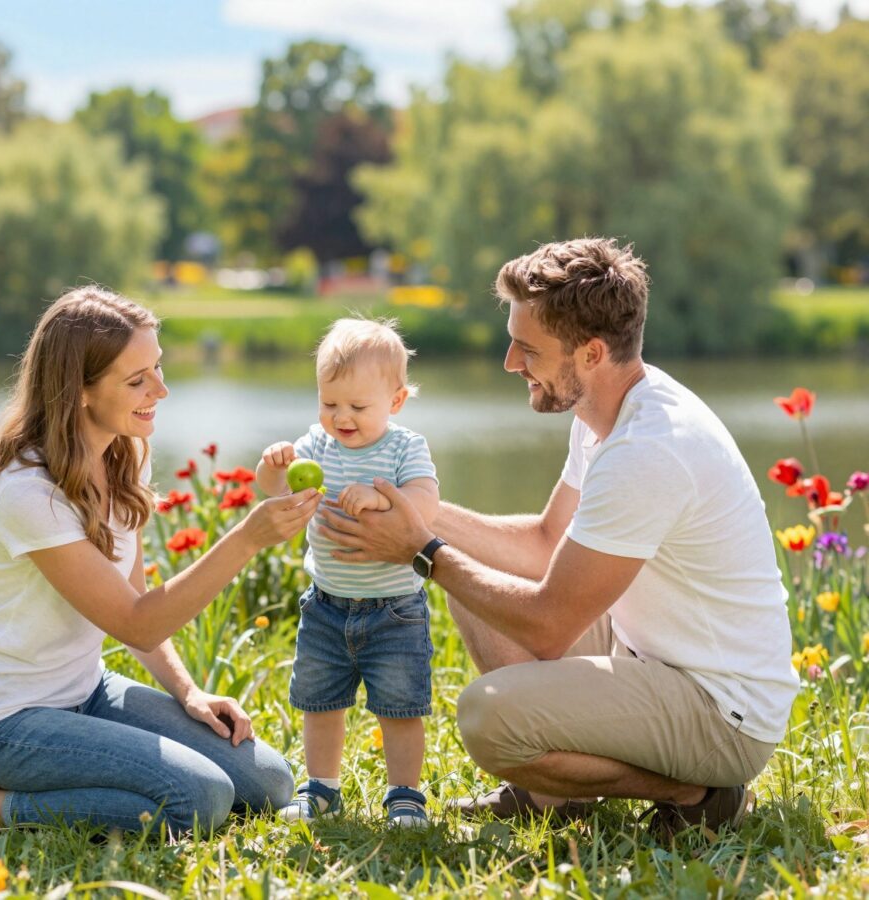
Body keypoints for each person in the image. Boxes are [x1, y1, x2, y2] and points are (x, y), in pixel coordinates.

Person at [316, 238, 798, 840]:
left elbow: (549, 624)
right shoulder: (606, 412)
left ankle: (697, 792)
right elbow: (546, 543)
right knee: (475, 575)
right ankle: (554, 796)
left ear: (591, 353)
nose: (511, 362)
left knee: (488, 716)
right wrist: (416, 512)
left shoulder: (649, 447)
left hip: (722, 713)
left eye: (527, 348)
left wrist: (420, 550)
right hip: (650, 660)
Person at [0, 286, 322, 834]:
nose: (161, 390)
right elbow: (135, 620)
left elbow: (137, 609)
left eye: (158, 368)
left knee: (269, 782)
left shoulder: (126, 452)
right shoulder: (29, 493)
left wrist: (190, 693)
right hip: (5, 720)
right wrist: (245, 539)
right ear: (78, 390)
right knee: (201, 801)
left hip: (87, 690)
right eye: (137, 380)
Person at [256, 318, 440, 827]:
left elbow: (427, 504)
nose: (341, 417)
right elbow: (273, 491)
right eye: (329, 403)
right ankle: (321, 788)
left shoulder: (405, 448)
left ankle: (405, 794)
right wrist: (274, 466)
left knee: (401, 708)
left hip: (395, 609)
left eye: (358, 407)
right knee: (320, 701)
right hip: (327, 604)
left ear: (395, 402)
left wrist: (384, 496)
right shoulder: (316, 445)